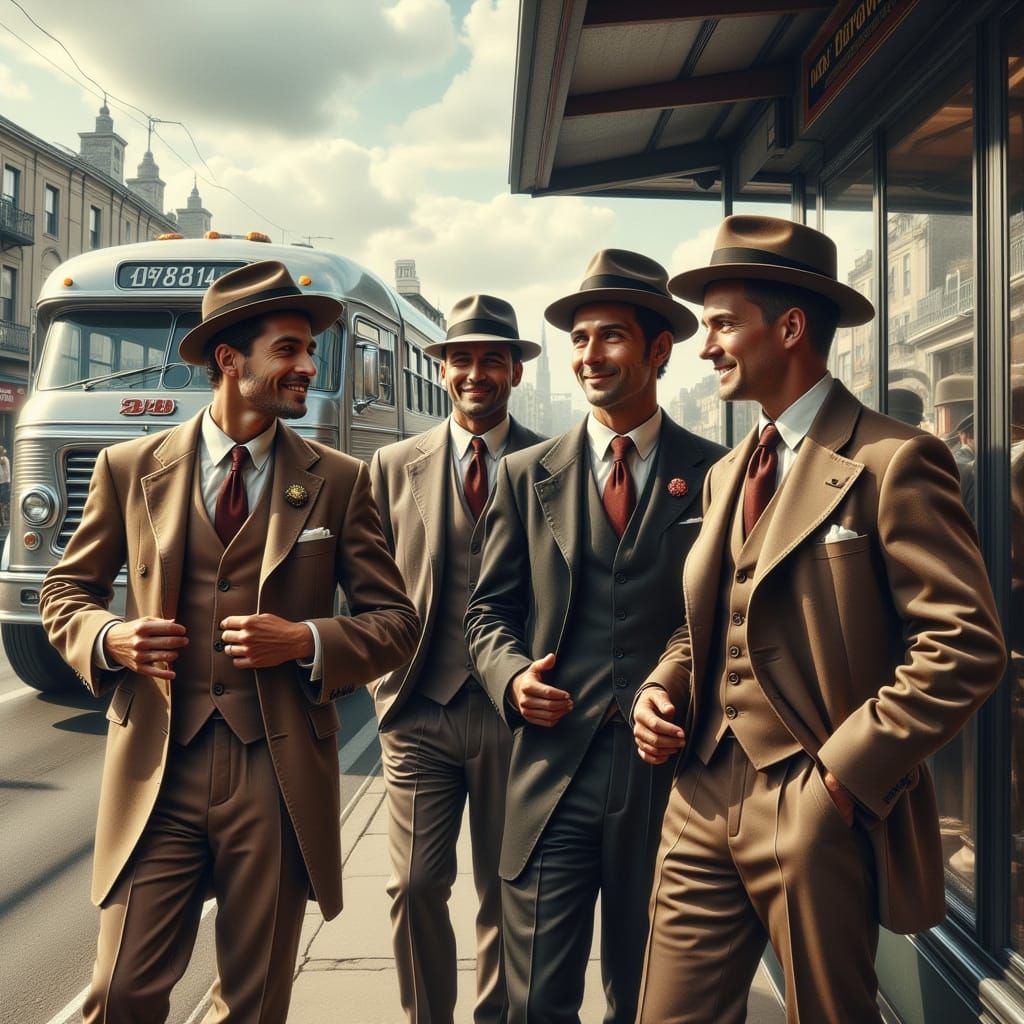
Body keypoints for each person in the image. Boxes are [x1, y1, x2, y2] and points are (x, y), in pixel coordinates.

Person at [632, 215, 1007, 1023]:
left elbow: (966, 644)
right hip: (697, 794)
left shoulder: (893, 459)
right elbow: (707, 618)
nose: (706, 347)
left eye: (723, 324)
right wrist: (660, 688)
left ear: (790, 327)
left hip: (810, 805)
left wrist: (839, 778)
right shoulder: (730, 469)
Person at [40, 260, 420, 1023]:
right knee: (121, 992)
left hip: (275, 773)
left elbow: (395, 624)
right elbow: (64, 595)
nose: (308, 367)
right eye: (289, 349)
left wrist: (307, 640)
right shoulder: (130, 468)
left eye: (311, 351)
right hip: (160, 765)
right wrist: (111, 637)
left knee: (252, 1001)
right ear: (229, 359)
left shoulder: (339, 481)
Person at [465, 250, 726, 1024]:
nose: (588, 356)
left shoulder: (714, 474)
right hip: (551, 777)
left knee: (646, 998)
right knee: (536, 1001)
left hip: (669, 777)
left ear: (657, 351)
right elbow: (486, 616)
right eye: (580, 338)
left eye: (610, 336)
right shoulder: (525, 474)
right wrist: (512, 680)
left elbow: (724, 616)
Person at [369, 294, 545, 1024]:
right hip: (420, 709)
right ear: (443, 370)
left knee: (509, 892)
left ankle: (495, 1016)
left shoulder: (551, 462)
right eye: (462, 359)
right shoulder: (390, 464)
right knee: (413, 885)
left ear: (514, 371)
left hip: (517, 716)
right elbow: (366, 582)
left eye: (491, 360)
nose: (476, 373)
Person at [0, 444, 10, 527]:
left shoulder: (4, 459)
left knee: (3, 501)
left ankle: (3, 516)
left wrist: (8, 481)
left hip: (4, 482)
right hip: (4, 482)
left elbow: (7, 471)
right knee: (2, 502)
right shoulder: (4, 459)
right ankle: (2, 518)